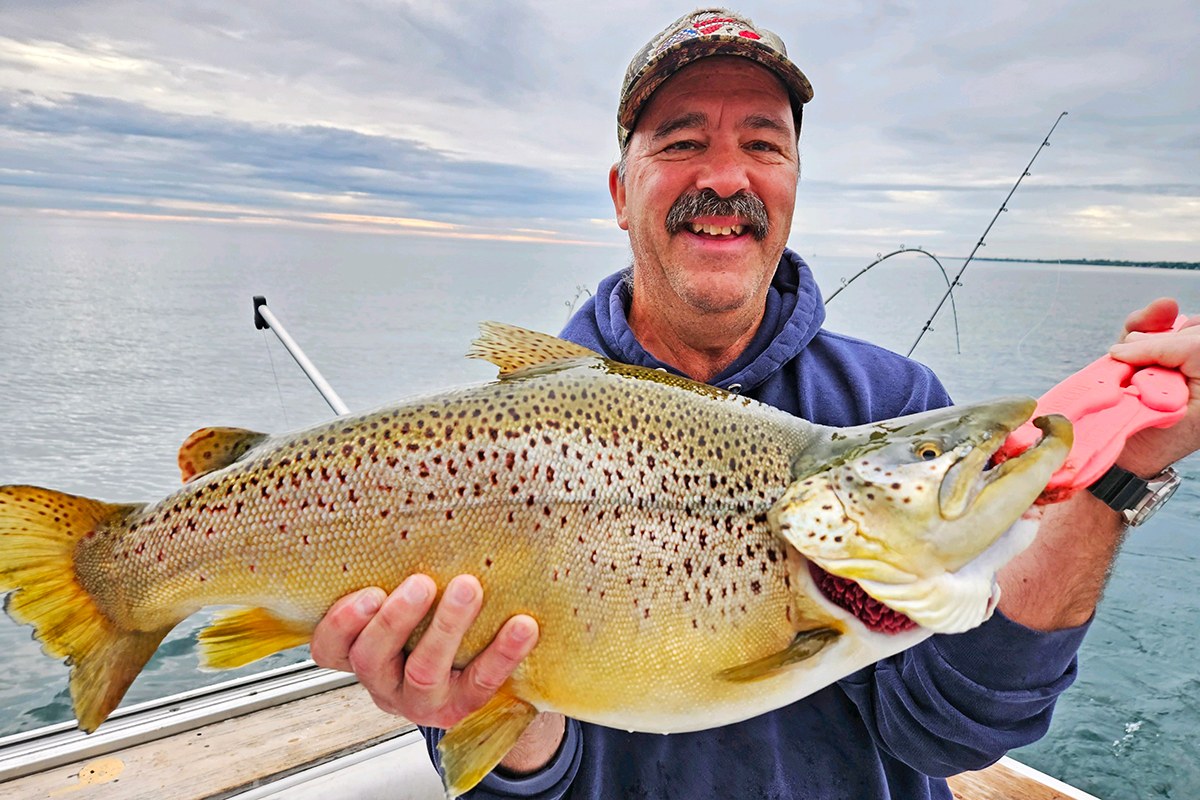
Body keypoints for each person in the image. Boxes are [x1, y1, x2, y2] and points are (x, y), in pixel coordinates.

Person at [310, 9, 1200, 798]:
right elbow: (521, 775)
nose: (727, 176)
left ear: (793, 186)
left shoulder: (889, 401)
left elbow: (956, 733)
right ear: (622, 194)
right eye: (682, 139)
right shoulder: (514, 436)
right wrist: (498, 722)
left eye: (764, 143)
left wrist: (1117, 472)